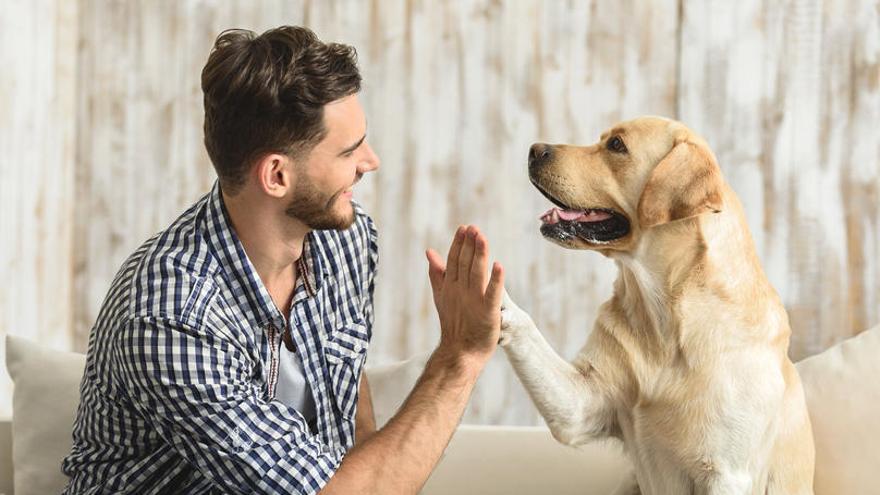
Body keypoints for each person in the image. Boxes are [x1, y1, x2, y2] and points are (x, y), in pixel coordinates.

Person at [62, 25, 505, 494]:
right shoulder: (170, 314)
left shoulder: (345, 242)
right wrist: (461, 355)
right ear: (276, 175)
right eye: (349, 150)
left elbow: (349, 397)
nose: (370, 161)